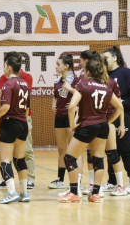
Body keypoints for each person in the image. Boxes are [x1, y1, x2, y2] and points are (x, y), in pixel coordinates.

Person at [59, 52, 123, 203]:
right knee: (98, 158)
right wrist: (108, 122)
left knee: (69, 157)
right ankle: (95, 194)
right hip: (102, 126)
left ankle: (74, 192)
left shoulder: (83, 85)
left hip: (87, 125)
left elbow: (72, 106)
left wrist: (72, 124)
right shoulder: (106, 87)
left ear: (87, 72)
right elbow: (119, 107)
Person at [102, 46, 130, 194]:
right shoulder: (104, 75)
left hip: (125, 115)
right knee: (110, 149)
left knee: (125, 148)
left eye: (105, 58)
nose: (103, 61)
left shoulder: (126, 72)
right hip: (109, 116)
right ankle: (113, 181)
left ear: (115, 57)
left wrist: (125, 103)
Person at [0, 56, 31, 204]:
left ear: (8, 68)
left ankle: (11, 192)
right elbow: (27, 110)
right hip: (23, 124)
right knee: (20, 159)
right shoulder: (25, 84)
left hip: (9, 123)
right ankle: (25, 193)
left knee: (5, 160)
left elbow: (6, 107)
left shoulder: (7, 84)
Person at [51, 54, 83, 195]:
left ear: (67, 66)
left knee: (75, 150)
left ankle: (78, 181)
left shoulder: (77, 81)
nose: (56, 66)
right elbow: (55, 97)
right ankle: (60, 179)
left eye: (58, 64)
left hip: (72, 118)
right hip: (59, 117)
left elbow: (83, 96)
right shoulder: (57, 81)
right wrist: (53, 105)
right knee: (61, 150)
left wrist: (71, 90)